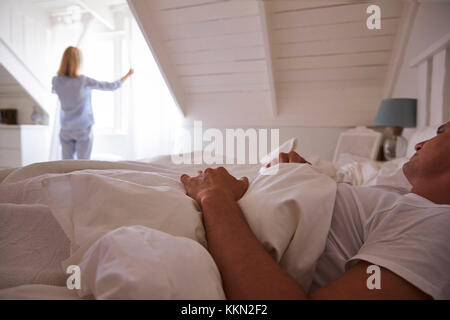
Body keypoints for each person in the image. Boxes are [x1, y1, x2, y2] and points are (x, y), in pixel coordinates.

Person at [180, 121, 450, 300]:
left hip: (206, 217)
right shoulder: (402, 201)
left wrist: (213, 197)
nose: (418, 144)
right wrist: (302, 176)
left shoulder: (439, 227)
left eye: (441, 132)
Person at [52, 46, 134, 160]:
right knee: (83, 164)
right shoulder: (84, 81)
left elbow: (55, 91)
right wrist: (128, 74)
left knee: (67, 165)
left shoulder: (56, 81)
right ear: (78, 62)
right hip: (83, 128)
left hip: (66, 129)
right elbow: (111, 86)